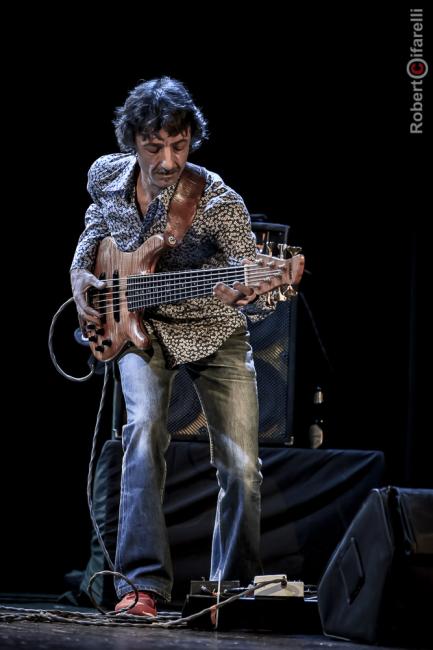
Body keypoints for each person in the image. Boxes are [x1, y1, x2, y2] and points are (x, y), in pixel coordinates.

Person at [70, 77, 304, 617]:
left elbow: (249, 275)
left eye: (179, 145)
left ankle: (230, 592)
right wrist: (80, 274)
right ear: (132, 142)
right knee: (143, 433)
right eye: (154, 147)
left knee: (241, 463)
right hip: (136, 326)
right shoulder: (106, 175)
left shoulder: (217, 199)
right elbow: (93, 230)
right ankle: (142, 587)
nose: (168, 160)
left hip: (212, 330)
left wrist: (244, 292)